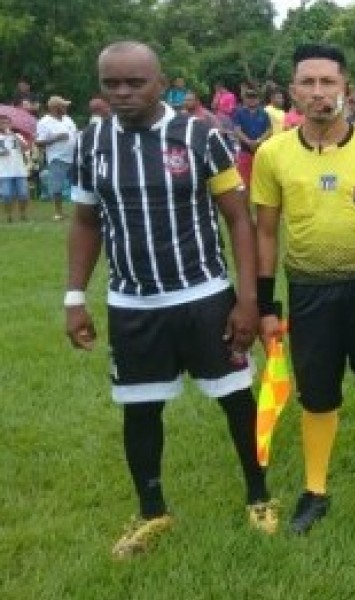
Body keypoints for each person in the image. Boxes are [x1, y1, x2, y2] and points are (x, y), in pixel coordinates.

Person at [65, 41, 275, 558]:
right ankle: (153, 511)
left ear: (161, 83)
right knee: (140, 411)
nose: (122, 93)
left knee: (234, 398)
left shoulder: (200, 136)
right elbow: (86, 222)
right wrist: (74, 297)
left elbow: (238, 221)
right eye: (111, 83)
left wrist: (246, 299)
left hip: (203, 296)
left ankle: (259, 496)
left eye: (134, 82)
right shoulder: (91, 142)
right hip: (133, 305)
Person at [252, 43, 355, 534]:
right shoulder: (272, 155)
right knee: (318, 395)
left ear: (346, 88)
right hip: (308, 292)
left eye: (329, 82)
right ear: (293, 90)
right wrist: (266, 305)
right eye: (308, 82)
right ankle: (315, 489)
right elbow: (265, 232)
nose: (319, 92)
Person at [35, 95, 77, 221]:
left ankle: (79, 212)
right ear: (56, 108)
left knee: (78, 184)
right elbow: (38, 142)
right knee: (57, 186)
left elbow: (74, 134)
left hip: (74, 156)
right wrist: (56, 138)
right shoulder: (44, 122)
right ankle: (58, 213)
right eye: (63, 106)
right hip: (57, 158)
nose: (66, 107)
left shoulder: (68, 119)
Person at [231, 88, 272, 195]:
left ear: (258, 99)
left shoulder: (264, 113)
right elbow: (236, 129)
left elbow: (269, 130)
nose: (251, 100)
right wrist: (248, 141)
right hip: (245, 151)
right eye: (249, 97)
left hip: (261, 151)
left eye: (254, 97)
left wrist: (259, 141)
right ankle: (245, 204)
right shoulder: (239, 113)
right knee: (244, 180)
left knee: (263, 179)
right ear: (245, 99)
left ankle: (261, 200)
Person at [0, 114, 31, 222]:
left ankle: (23, 214)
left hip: (19, 170)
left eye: (7, 123)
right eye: (2, 123)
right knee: (6, 195)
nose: (5, 125)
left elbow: (26, 148)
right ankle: (9, 215)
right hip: (4, 171)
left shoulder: (17, 135)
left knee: (23, 194)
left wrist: (15, 136)